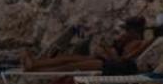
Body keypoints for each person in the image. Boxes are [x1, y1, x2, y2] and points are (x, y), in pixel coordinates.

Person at [20, 16, 150, 72]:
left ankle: (37, 70)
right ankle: (35, 63)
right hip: (103, 60)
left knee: (70, 66)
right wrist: (104, 49)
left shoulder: (139, 44)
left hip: (110, 66)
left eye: (127, 30)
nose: (125, 32)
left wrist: (106, 49)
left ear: (134, 30)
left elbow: (122, 61)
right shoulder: (127, 40)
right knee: (67, 58)